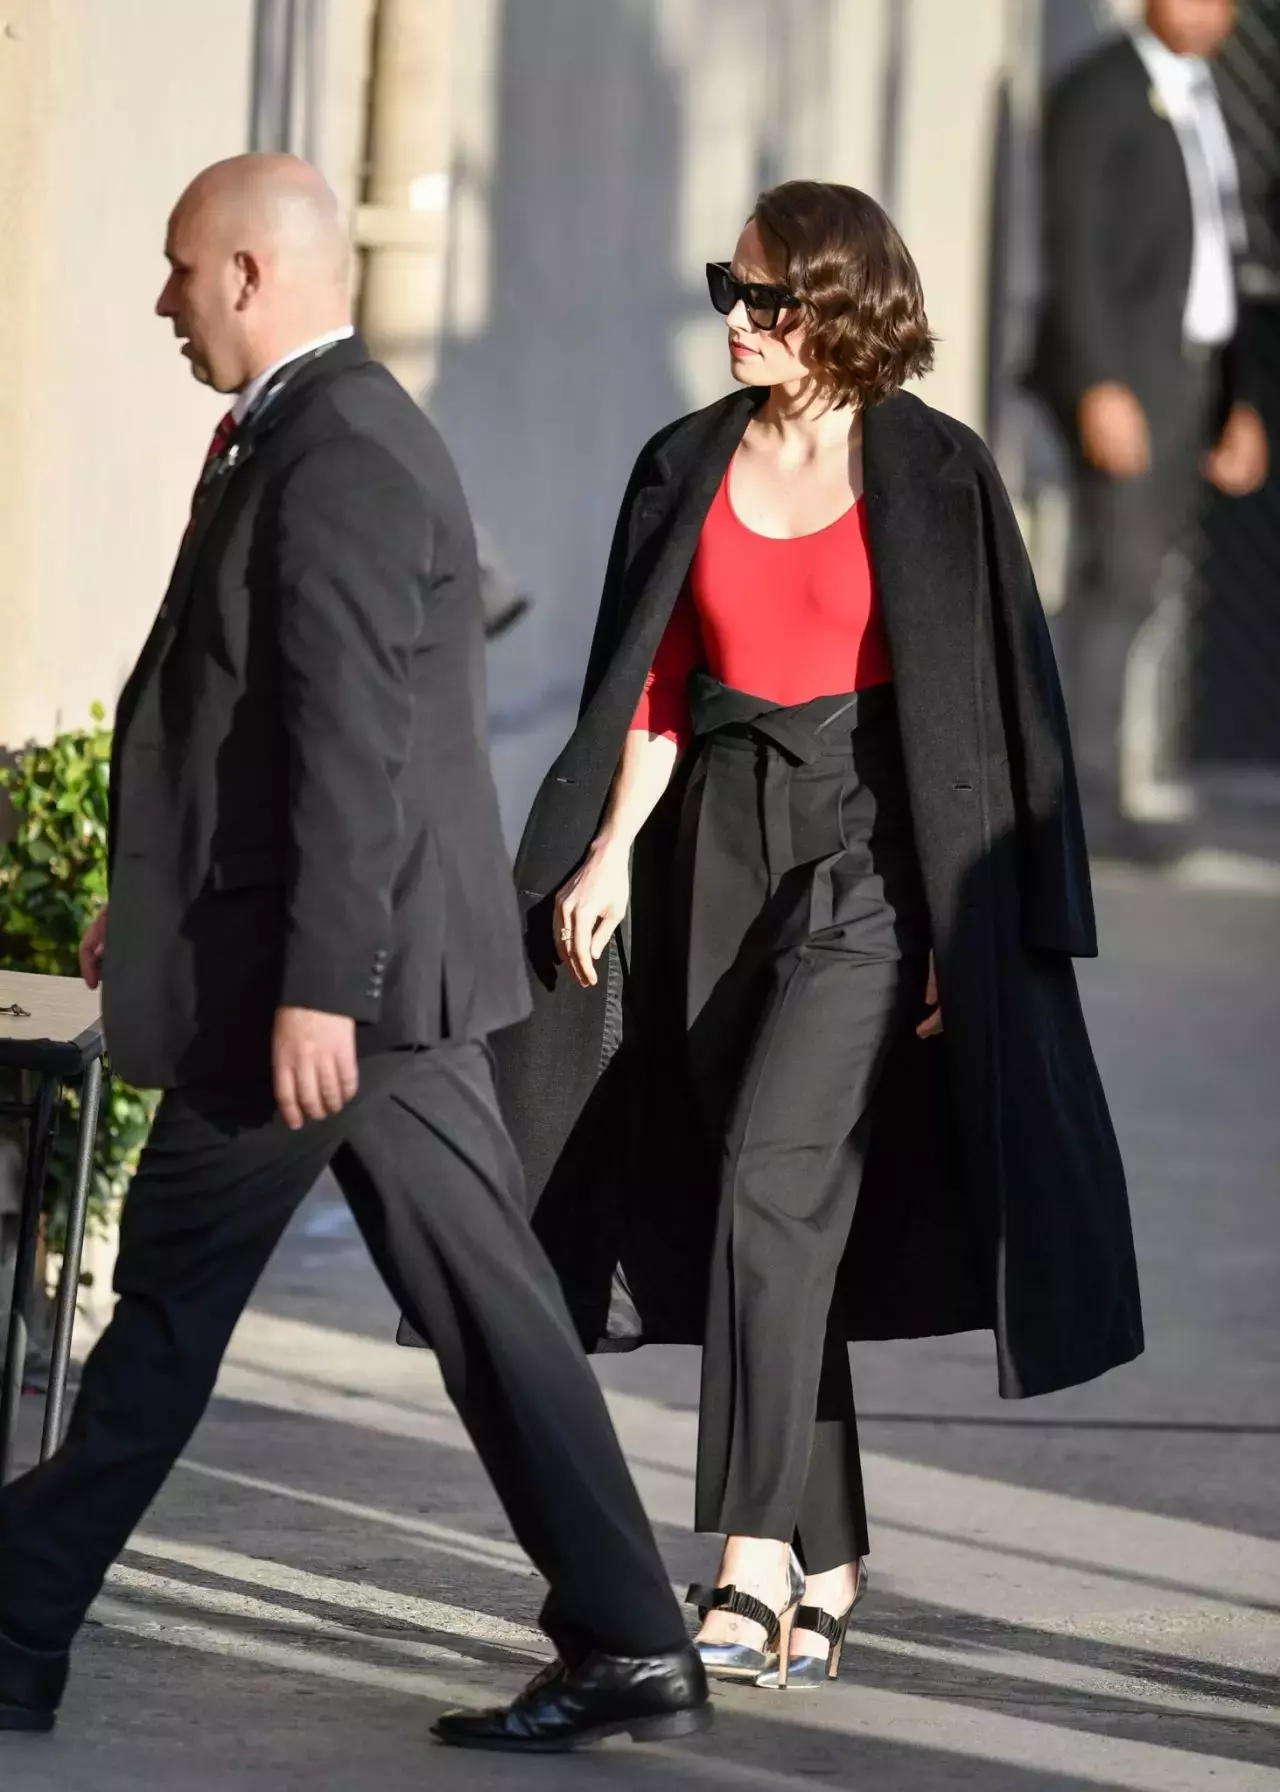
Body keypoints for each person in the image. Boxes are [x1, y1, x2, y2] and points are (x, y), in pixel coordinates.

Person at [0, 154, 709, 1754]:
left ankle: (17, 1617)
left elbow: (351, 752)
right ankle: (627, 1633)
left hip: (322, 995)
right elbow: (249, 720)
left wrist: (318, 984)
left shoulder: (343, 454)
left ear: (251, 273)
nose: (163, 301)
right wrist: (158, 890)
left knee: (167, 1316)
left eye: (180, 269)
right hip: (368, 980)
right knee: (492, 1308)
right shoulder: (321, 432)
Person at [491, 180, 1143, 1691]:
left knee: (776, 1189)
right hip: (716, 847)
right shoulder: (683, 464)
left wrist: (962, 936)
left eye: (763, 295)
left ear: (838, 306)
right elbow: (652, 686)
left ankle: (746, 1560)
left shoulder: (935, 473)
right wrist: (603, 858)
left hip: (871, 861)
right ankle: (833, 1546)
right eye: (728, 286)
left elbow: (988, 718)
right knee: (758, 1209)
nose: (734, 316)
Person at [1026, 0, 1268, 860]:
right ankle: (1070, 802)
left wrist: (1235, 400)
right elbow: (1075, 250)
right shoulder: (1099, 92)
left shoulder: (1206, 101)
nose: (1219, 14)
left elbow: (1218, 257)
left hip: (1187, 379)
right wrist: (1099, 383)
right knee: (1114, 579)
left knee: (1143, 582)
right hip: (1124, 377)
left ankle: (1094, 789)